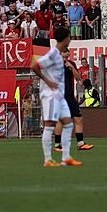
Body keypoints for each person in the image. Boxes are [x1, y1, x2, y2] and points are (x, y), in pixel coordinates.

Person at [31, 26, 82, 167]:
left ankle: (66, 157)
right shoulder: (53, 54)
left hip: (60, 95)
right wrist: (47, 81)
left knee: (68, 124)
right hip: (50, 95)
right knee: (49, 126)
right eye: (69, 37)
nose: (70, 39)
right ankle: (48, 159)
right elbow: (34, 65)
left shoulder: (59, 55)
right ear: (65, 38)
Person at [54, 58, 94, 153]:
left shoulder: (70, 63)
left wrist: (71, 67)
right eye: (65, 52)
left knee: (78, 118)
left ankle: (81, 143)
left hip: (70, 96)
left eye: (67, 52)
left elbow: (78, 78)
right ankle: (57, 145)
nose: (67, 54)